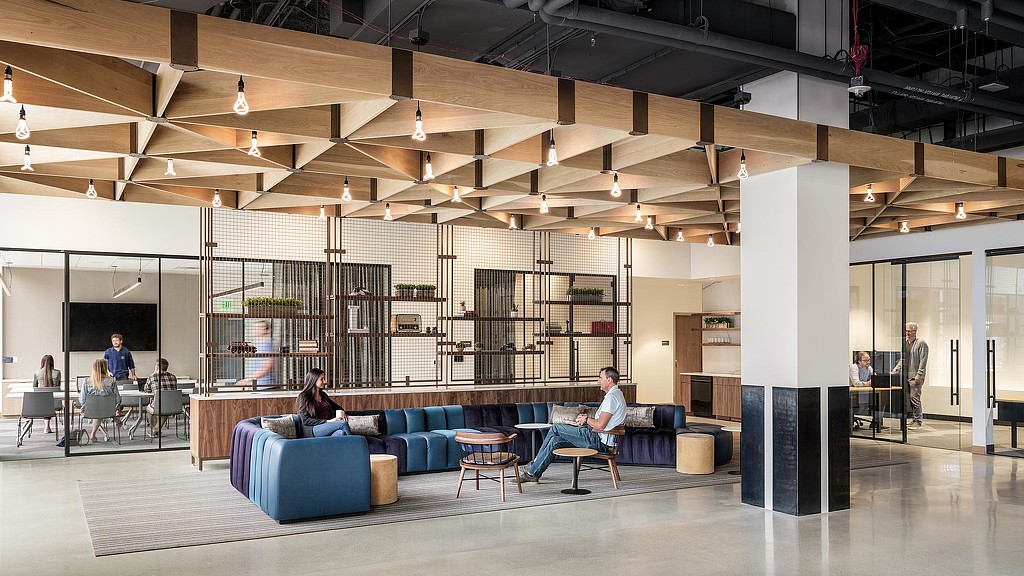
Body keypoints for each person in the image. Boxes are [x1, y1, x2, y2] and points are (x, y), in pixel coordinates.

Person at [515, 366, 626, 484]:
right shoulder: (616, 395)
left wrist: (586, 419)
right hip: (599, 438)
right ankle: (533, 473)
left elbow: (600, 425)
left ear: (609, 380)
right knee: (555, 441)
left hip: (599, 440)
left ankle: (534, 462)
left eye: (600, 378)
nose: (598, 381)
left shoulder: (612, 398)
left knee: (556, 427)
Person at [294, 368, 351, 437]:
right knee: (342, 424)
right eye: (322, 379)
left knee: (341, 433)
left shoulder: (323, 395)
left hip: (326, 427)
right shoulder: (304, 397)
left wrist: (342, 412)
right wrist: (328, 421)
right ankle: (356, 445)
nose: (324, 381)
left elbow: (336, 407)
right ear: (313, 380)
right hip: (313, 429)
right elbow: (306, 420)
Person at [893, 322, 929, 429]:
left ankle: (918, 421)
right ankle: (914, 419)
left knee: (915, 398)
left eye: (910, 331)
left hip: (915, 376)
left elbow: (923, 361)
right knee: (909, 398)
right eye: (907, 331)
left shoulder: (921, 343)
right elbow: (902, 359)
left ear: (915, 331)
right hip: (906, 375)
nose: (908, 333)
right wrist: (895, 370)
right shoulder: (905, 343)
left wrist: (919, 375)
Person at [79, 358, 121, 443]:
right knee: (103, 408)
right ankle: (115, 418)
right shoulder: (112, 381)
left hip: (91, 411)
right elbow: (118, 400)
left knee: (98, 409)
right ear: (105, 368)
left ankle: (93, 434)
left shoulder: (87, 381)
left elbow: (82, 400)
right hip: (108, 411)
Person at [144, 358, 178, 436]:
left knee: (149, 408)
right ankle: (156, 428)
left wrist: (154, 373)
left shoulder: (152, 377)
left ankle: (155, 428)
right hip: (173, 405)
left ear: (157, 366)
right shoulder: (173, 377)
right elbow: (175, 389)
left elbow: (146, 390)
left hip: (158, 405)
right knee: (165, 407)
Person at [238, 320, 274, 390]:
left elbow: (267, 367)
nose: (256, 330)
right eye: (255, 327)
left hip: (265, 387)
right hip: (257, 386)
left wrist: (247, 380)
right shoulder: (259, 344)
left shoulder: (266, 344)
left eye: (260, 327)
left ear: (267, 330)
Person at [849, 351, 881, 431]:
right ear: (859, 361)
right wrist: (868, 383)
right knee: (860, 406)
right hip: (852, 393)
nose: (868, 362)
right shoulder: (854, 367)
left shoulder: (869, 367)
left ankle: (876, 422)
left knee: (878, 401)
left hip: (863, 391)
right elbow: (856, 383)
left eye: (869, 360)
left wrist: (871, 382)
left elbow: (876, 379)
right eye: (865, 360)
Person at [32, 354, 61, 433]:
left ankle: (46, 427)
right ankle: (47, 427)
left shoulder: (37, 373)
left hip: (41, 403)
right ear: (52, 362)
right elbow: (58, 386)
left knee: (45, 401)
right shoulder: (58, 373)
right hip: (55, 403)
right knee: (49, 400)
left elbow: (34, 387)